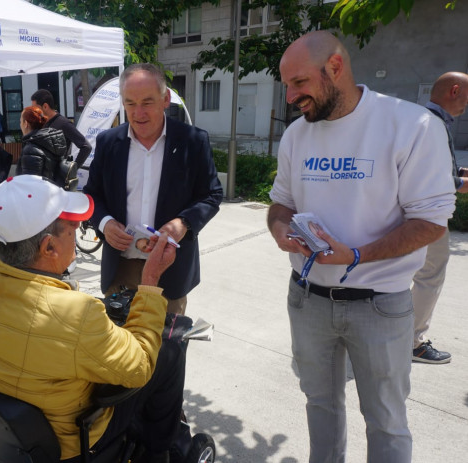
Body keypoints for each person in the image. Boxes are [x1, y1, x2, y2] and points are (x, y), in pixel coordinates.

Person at [268, 31, 455, 462]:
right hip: (308, 300)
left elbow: (430, 222)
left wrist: (355, 255)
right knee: (320, 406)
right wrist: (279, 229)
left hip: (380, 304)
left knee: (386, 420)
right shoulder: (297, 135)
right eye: (288, 86)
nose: (293, 96)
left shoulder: (410, 125)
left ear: (335, 67)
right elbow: (281, 203)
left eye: (300, 83)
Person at [0, 175, 184, 463]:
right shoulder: (77, 314)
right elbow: (139, 367)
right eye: (71, 227)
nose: (78, 228)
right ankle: (159, 453)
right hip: (68, 444)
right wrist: (150, 279)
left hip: (3, 434)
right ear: (48, 248)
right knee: (169, 350)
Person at [82, 63, 222, 315]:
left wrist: (183, 224)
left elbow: (211, 194)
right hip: (119, 268)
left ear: (165, 99)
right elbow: (92, 195)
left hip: (170, 270)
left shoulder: (193, 141)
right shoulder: (108, 142)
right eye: (130, 103)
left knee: (166, 351)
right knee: (118, 350)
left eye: (147, 102)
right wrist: (104, 223)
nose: (138, 113)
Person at [411, 71, 468, 364]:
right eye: (466, 99)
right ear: (455, 91)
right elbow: (431, 177)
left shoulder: (424, 120)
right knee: (429, 276)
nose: (465, 106)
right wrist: (459, 183)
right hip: (428, 215)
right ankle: (413, 343)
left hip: (415, 213)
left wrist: (457, 175)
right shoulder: (433, 124)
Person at [17, 105, 76, 190]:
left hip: (39, 199)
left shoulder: (31, 149)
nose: (20, 125)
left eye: (20, 122)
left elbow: (29, 186)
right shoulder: (52, 141)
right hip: (53, 194)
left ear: (26, 124)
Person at [31, 89, 92, 168]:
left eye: (35, 109)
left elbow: (86, 147)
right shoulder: (41, 124)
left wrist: (71, 170)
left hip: (57, 177)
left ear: (45, 106)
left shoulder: (64, 124)